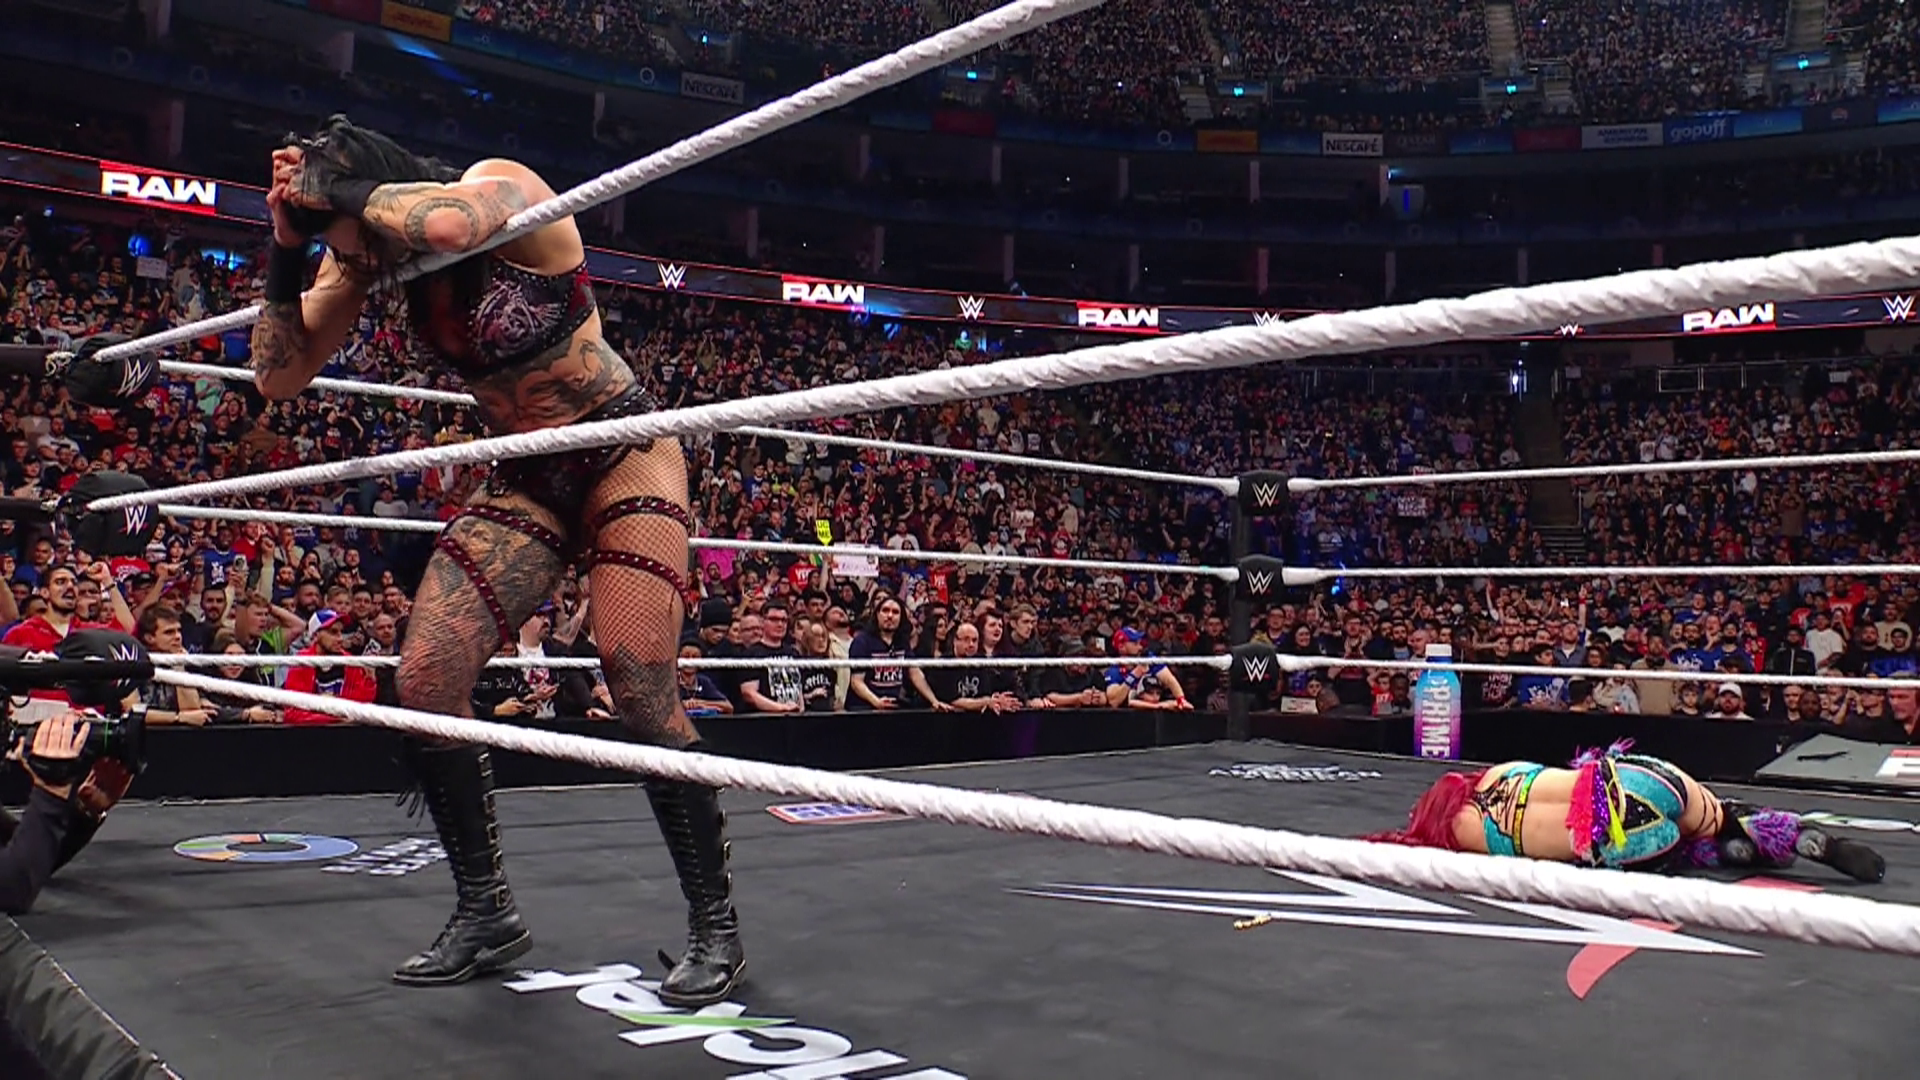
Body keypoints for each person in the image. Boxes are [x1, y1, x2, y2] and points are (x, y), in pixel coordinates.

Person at [249, 115, 740, 1003]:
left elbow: (446, 226)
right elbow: (278, 377)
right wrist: (290, 247)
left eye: (345, 235)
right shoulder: (364, 260)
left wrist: (333, 190)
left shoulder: (496, 186)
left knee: (637, 678)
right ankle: (487, 912)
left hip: (623, 445)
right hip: (526, 472)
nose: (351, 257)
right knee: (426, 678)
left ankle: (716, 926)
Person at [1364, 742, 1885, 883]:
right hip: (1624, 778)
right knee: (1718, 813)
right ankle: (1788, 835)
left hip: (1613, 837)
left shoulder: (1462, 835)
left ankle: (1724, 852)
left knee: (1681, 850)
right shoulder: (1498, 772)